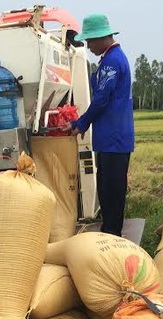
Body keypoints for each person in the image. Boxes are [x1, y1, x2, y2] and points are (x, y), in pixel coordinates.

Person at [60, 13, 134, 237]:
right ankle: (110, 231)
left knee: (111, 190)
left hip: (114, 137)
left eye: (91, 41)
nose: (89, 46)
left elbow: (101, 99)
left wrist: (80, 123)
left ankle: (112, 235)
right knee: (106, 188)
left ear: (103, 38)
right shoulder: (109, 59)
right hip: (109, 137)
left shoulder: (112, 61)